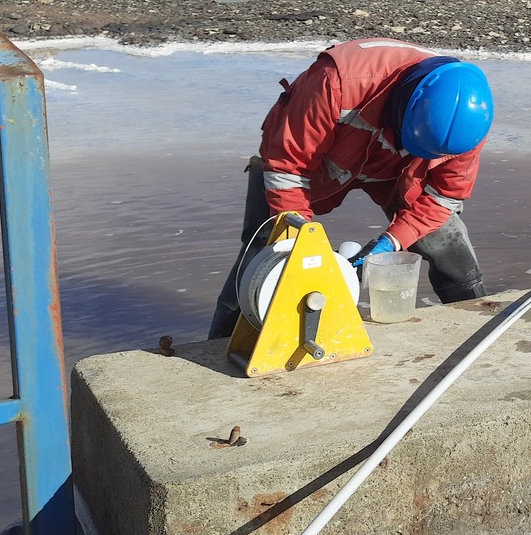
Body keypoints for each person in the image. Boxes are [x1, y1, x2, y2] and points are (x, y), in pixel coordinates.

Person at [209, 39, 493, 338]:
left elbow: (444, 197)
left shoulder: (469, 121)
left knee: (446, 241)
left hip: (400, 169)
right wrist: (300, 247)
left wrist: (393, 241)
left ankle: (474, 330)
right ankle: (219, 344)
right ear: (405, 105)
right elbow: (286, 168)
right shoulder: (335, 80)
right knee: (265, 247)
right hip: (316, 161)